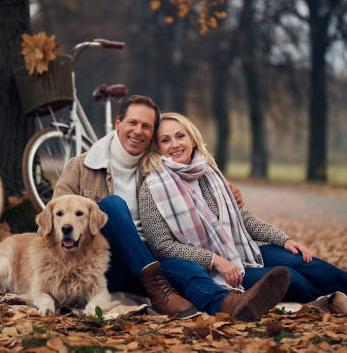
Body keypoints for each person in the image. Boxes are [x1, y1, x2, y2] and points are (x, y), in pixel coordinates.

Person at [138, 112, 347, 314]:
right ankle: (335, 302)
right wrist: (216, 261)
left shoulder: (208, 173)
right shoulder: (153, 187)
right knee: (289, 277)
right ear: (157, 147)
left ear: (192, 138)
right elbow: (162, 247)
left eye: (180, 136)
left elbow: (242, 219)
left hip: (242, 251)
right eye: (165, 140)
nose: (175, 144)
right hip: (207, 268)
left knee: (305, 261)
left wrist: (284, 240)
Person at [53, 96, 291, 321]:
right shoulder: (80, 167)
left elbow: (194, 185)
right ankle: (159, 288)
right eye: (132, 123)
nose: (138, 131)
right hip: (103, 263)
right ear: (118, 123)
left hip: (152, 262)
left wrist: (228, 193)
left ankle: (229, 305)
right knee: (112, 206)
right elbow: (57, 221)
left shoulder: (158, 169)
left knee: (188, 270)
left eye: (146, 126)